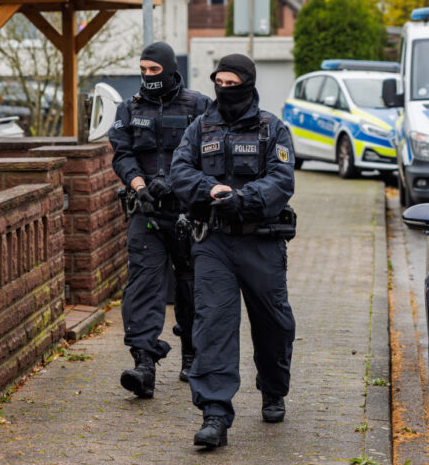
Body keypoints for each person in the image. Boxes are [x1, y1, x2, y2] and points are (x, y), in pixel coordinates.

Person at [169, 54, 296, 448]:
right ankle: (215, 414)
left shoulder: (271, 129)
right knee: (213, 325)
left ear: (248, 83)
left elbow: (282, 179)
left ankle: (273, 389)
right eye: (218, 81)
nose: (225, 88)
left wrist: (243, 198)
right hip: (214, 243)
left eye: (232, 82)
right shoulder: (199, 128)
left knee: (273, 325)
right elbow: (179, 171)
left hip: (261, 241)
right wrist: (210, 191)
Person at [109, 42, 211, 398]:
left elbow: (208, 154)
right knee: (143, 283)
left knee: (190, 284)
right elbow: (122, 154)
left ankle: (192, 354)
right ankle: (144, 364)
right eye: (143, 70)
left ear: (169, 69)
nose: (148, 76)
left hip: (187, 210)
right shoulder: (128, 108)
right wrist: (139, 187)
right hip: (147, 210)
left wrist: (181, 182)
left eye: (154, 70)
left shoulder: (199, 106)